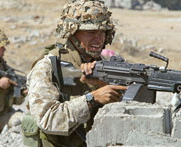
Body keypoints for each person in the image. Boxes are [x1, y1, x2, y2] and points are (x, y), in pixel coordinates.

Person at [25, 0, 127, 146]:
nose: (98, 39)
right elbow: (48, 119)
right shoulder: (47, 66)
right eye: (91, 32)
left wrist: (104, 86)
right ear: (72, 33)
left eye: (102, 32)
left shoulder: (102, 64)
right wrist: (92, 98)